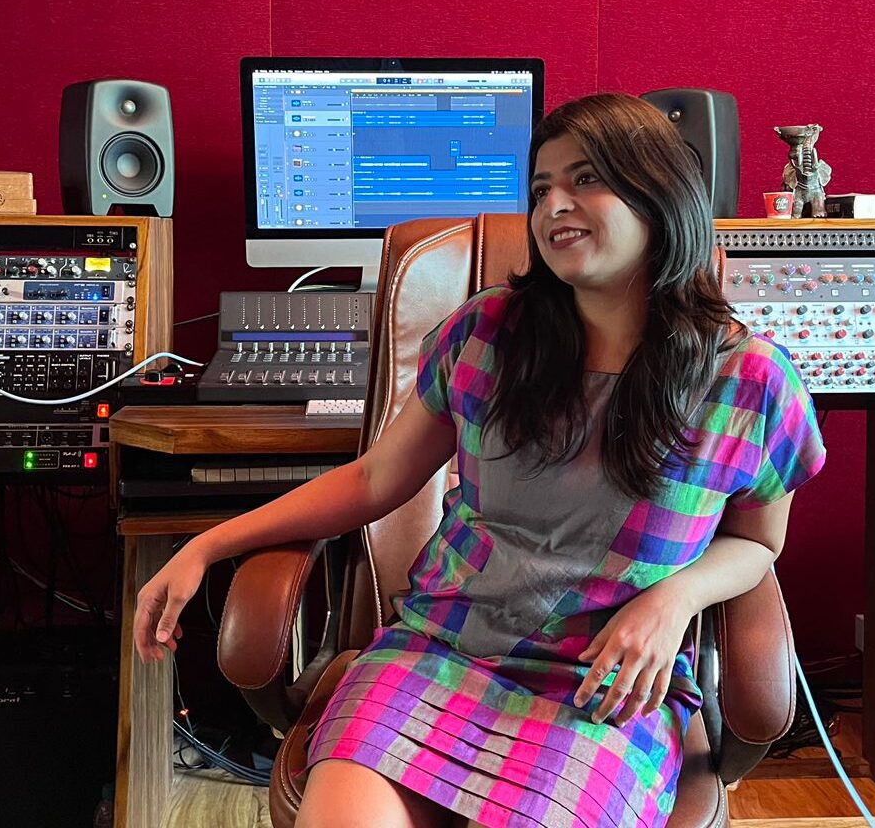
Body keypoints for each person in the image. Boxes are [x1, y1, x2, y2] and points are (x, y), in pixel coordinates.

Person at [134, 93, 826, 828]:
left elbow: (756, 543)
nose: (555, 203)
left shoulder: (750, 383)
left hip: (600, 684)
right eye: (539, 189)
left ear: (660, 195)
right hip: (438, 653)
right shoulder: (487, 334)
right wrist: (208, 546)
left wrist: (676, 598)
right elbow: (373, 480)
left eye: (586, 178)